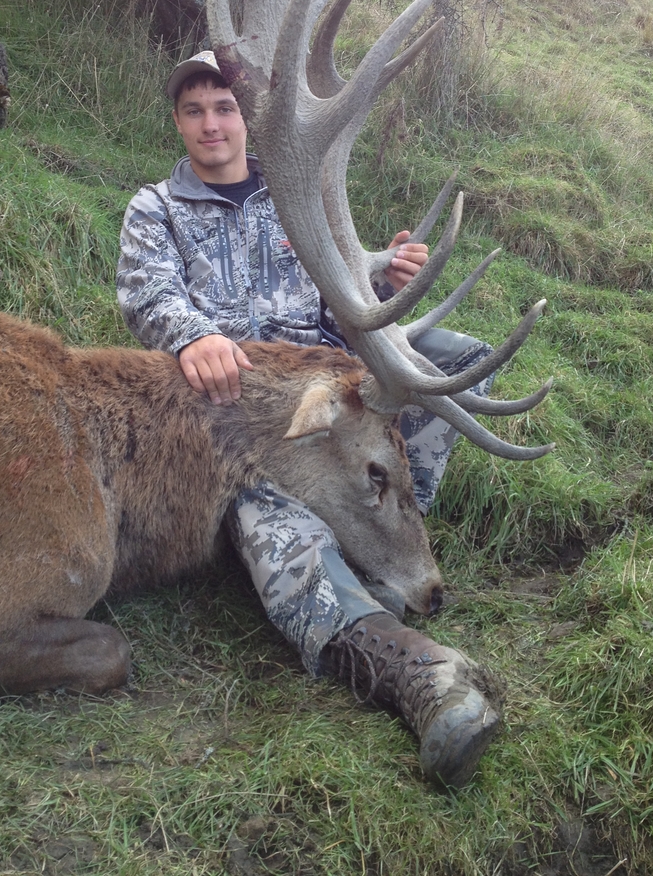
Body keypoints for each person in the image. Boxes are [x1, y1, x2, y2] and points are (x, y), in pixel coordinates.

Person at [116, 52, 504, 788]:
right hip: (240, 416)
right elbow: (145, 293)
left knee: (454, 364)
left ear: (246, 117)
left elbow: (339, 301)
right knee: (269, 509)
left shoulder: (297, 196)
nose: (211, 124)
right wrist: (193, 337)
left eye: (224, 108)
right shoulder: (156, 208)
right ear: (179, 121)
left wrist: (384, 280)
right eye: (195, 111)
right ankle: (408, 666)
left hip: (328, 378)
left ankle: (386, 518)